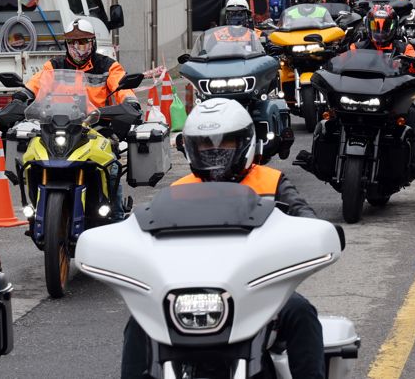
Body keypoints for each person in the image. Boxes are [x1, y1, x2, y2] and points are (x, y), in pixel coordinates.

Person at [121, 98, 324, 379]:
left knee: (301, 312)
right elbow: (144, 231)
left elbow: (306, 218)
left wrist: (312, 234)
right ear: (192, 149)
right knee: (139, 322)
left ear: (244, 143)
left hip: (260, 288)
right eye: (206, 145)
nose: (215, 151)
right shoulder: (178, 191)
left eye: (225, 144)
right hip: (187, 288)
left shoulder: (270, 181)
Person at [24, 19, 140, 218]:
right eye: (72, 42)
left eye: (83, 42)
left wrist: (130, 102)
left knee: (110, 167)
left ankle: (116, 216)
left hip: (96, 129)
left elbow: (123, 85)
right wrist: (21, 96)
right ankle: (37, 211)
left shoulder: (108, 66)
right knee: (32, 159)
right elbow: (36, 85)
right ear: (66, 44)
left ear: (92, 42)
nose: (77, 47)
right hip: (58, 127)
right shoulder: (53, 66)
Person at [347, 5, 415, 172]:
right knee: (331, 115)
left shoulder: (403, 48)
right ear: (368, 26)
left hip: (391, 97)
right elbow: (342, 63)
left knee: (414, 114)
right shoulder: (357, 47)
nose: (380, 31)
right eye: (376, 26)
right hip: (360, 93)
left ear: (394, 27)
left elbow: (414, 62)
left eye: (385, 26)